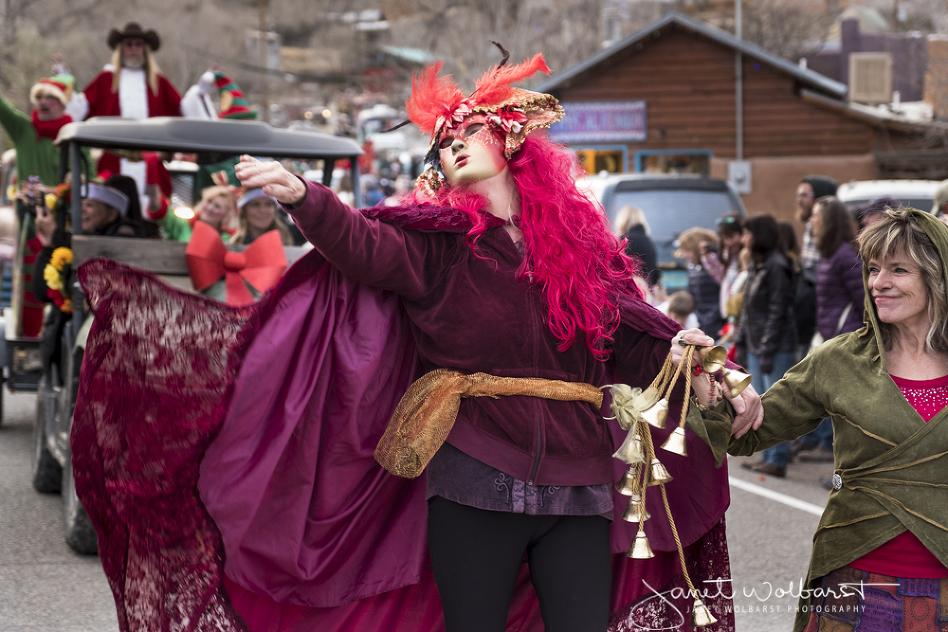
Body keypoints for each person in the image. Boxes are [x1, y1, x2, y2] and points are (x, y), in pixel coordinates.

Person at [72, 52, 761, 632]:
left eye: (469, 130)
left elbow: (632, 338)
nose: (452, 141)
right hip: (473, 478)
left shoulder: (583, 253)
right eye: (444, 140)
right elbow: (362, 245)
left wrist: (700, 365)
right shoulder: (435, 248)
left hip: (580, 484)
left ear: (513, 141)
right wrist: (303, 197)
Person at [686, 208, 948, 631]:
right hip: (857, 581)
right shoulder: (839, 360)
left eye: (899, 270)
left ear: (938, 278)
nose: (878, 283)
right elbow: (747, 432)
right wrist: (710, 376)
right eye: (874, 268)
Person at [33, 177, 145, 382]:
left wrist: (57, 235)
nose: (82, 210)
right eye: (80, 205)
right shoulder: (74, 240)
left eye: (90, 205)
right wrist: (49, 246)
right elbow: (41, 293)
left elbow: (108, 258)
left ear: (112, 214)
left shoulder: (125, 232)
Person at [796, 197, 866, 466]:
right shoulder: (832, 254)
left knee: (843, 407)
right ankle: (836, 458)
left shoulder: (844, 255)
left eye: (816, 216)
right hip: (831, 339)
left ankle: (846, 466)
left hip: (845, 340)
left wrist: (854, 338)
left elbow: (863, 301)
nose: (812, 221)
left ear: (829, 221)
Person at [76, 22, 182, 197]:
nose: (133, 49)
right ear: (121, 49)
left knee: (152, 211)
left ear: (145, 50)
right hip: (113, 161)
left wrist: (199, 93)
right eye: (128, 44)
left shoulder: (159, 83)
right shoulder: (106, 80)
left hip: (151, 163)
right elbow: (81, 108)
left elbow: (180, 111)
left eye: (138, 45)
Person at [737, 214, 797, 478]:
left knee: (773, 404)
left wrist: (767, 348)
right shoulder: (757, 264)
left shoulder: (776, 266)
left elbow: (778, 311)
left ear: (759, 236)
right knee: (758, 401)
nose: (743, 239)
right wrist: (742, 340)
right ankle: (769, 455)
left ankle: (778, 458)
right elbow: (747, 309)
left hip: (774, 346)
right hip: (755, 344)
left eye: (748, 233)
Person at [794, 175, 838, 360]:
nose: (799, 200)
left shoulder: (831, 232)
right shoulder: (809, 226)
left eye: (804, 195)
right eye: (798, 195)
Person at [676, 227, 725, 339]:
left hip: (716, 321)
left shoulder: (714, 265)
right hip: (699, 320)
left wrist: (712, 318)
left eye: (688, 251)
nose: (685, 255)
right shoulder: (692, 267)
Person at [151, 184, 236, 243]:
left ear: (226, 215)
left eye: (217, 206)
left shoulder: (227, 239)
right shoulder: (182, 224)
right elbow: (159, 209)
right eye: (209, 201)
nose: (210, 208)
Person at [615, 205, 660, 288]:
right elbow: (655, 272)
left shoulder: (624, 240)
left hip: (629, 291)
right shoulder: (648, 241)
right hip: (646, 291)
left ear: (623, 220)